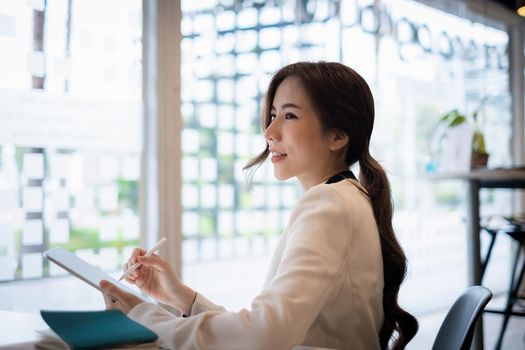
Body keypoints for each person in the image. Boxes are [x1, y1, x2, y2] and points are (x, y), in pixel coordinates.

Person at [100, 61, 418, 350]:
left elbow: (266, 336)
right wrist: (179, 297)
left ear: (337, 135)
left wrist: (142, 318)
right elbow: (269, 329)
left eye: (290, 115)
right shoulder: (346, 197)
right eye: (273, 114)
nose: (269, 132)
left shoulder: (329, 204)